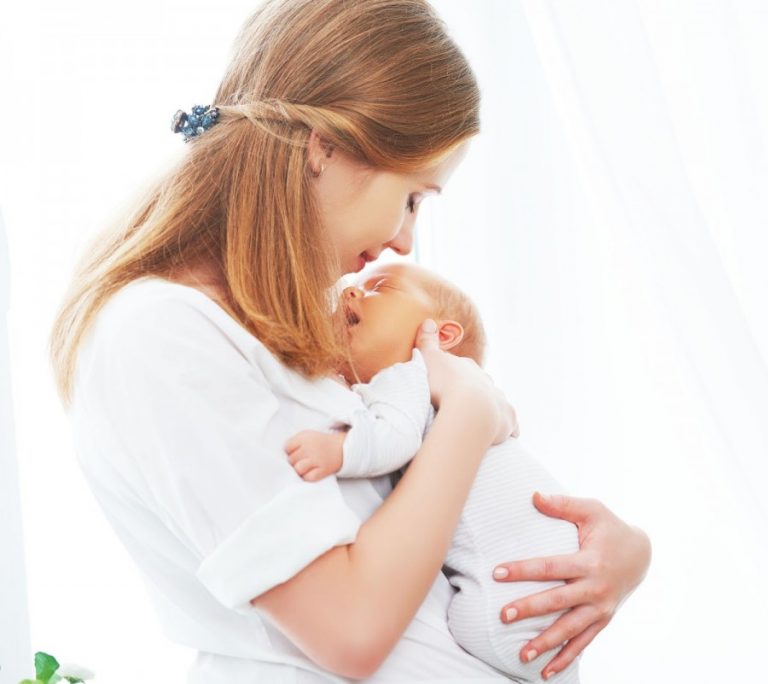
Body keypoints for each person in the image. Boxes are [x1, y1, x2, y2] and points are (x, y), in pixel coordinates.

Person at [49, 1, 652, 682]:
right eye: (414, 197)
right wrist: (472, 411)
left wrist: (613, 557)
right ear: (324, 147)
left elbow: (454, 486)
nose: (405, 240)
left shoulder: (307, 323)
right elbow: (352, 630)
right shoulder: (162, 337)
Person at [285, 262, 582, 683]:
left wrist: (339, 449)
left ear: (440, 336)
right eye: (351, 288)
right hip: (544, 609)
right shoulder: (463, 389)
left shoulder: (411, 374)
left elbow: (394, 437)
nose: (350, 292)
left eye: (379, 288)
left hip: (508, 615)